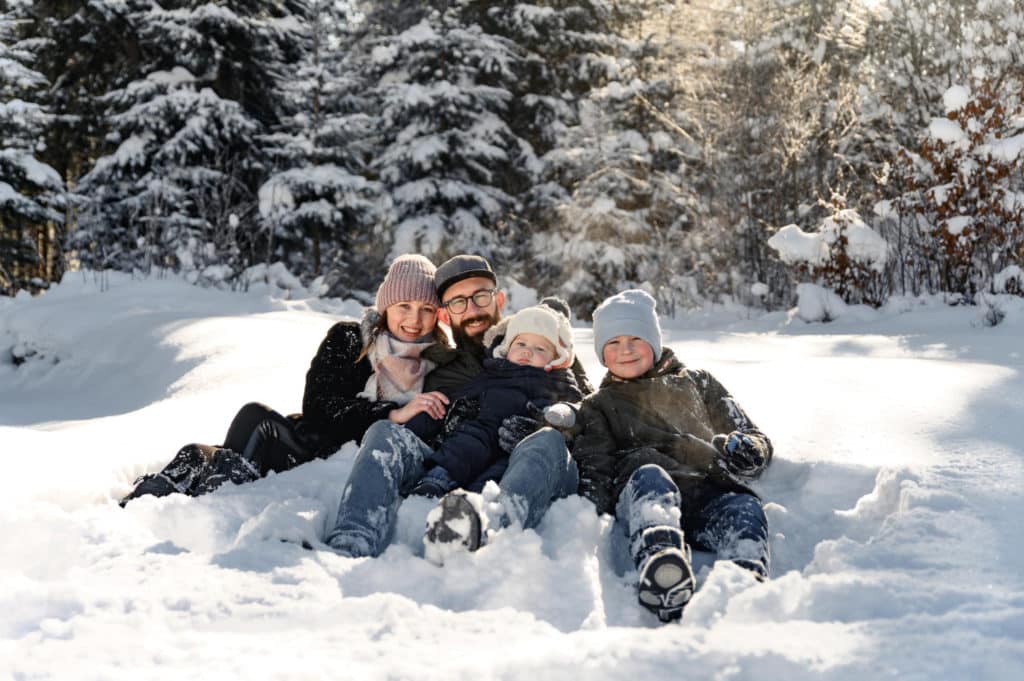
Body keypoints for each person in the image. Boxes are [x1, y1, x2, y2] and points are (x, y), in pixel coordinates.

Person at [119, 254, 449, 506]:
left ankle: (209, 504)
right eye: (404, 305)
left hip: (330, 464)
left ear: (438, 315)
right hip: (307, 443)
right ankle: (144, 507)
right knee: (201, 450)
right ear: (385, 306)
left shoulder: (443, 363)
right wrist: (389, 413)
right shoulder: (350, 339)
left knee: (245, 434)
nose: (414, 320)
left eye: (426, 309)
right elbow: (319, 409)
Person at [322, 254, 591, 558]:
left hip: (522, 472)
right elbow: (426, 420)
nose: (472, 309)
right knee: (385, 431)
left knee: (548, 441)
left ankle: (488, 529)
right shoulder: (443, 369)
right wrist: (444, 425)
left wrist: (547, 427)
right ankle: (353, 536)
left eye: (480, 296)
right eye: (458, 302)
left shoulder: (542, 347)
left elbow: (588, 413)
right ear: (446, 316)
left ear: (499, 299)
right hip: (459, 465)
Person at [571, 289, 773, 622]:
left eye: (636, 339)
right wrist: (588, 511)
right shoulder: (599, 406)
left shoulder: (698, 383)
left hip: (707, 488)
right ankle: (663, 566)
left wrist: (748, 450)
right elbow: (596, 464)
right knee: (651, 478)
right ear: (602, 354)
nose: (626, 350)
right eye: (614, 343)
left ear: (654, 341)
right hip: (644, 489)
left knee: (744, 508)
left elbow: (752, 435)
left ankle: (746, 579)